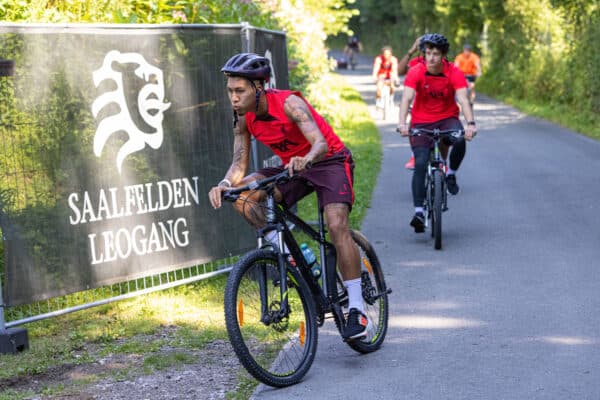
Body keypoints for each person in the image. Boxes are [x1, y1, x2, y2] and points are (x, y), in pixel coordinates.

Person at [208, 53, 371, 340]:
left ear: (259, 87)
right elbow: (238, 163)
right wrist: (223, 184)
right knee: (243, 197)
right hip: (292, 167)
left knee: (336, 225)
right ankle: (289, 254)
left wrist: (305, 158)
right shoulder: (242, 118)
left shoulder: (289, 103)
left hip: (328, 162)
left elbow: (319, 143)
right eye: (230, 91)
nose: (233, 97)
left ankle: (357, 307)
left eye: (239, 91)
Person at [397, 34, 477, 233]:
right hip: (421, 120)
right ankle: (419, 212)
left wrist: (471, 123)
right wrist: (402, 124)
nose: (431, 58)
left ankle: (451, 174)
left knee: (459, 140)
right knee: (421, 162)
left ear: (443, 55)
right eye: (428, 53)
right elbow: (406, 98)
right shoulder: (416, 71)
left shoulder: (454, 72)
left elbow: (463, 99)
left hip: (447, 118)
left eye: (436, 54)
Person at [397, 36, 425, 170]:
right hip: (417, 104)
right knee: (412, 127)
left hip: (435, 105)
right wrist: (411, 51)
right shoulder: (415, 62)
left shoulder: (440, 63)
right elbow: (399, 71)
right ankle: (414, 155)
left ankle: (442, 161)